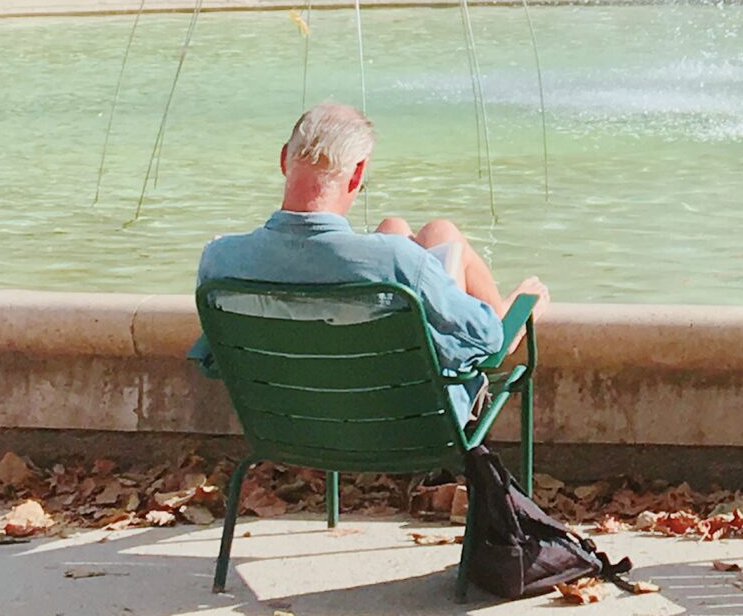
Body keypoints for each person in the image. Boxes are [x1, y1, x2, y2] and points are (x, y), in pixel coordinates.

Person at [194, 103, 546, 419]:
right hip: (410, 422)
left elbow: (213, 354)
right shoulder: (396, 263)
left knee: (397, 229)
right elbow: (486, 340)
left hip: (291, 424)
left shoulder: (220, 260)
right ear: (358, 173)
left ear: (285, 159)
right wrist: (518, 307)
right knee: (441, 237)